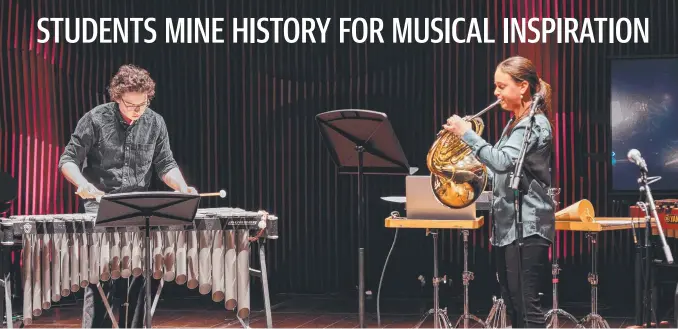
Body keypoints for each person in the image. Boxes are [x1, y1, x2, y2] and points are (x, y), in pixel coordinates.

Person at [58, 64, 197, 328]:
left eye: (142, 104)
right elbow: (68, 160)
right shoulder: (95, 119)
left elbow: (165, 164)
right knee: (101, 280)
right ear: (117, 97)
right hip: (100, 206)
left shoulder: (155, 122)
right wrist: (82, 182)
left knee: (140, 279)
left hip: (138, 208)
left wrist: (181, 186)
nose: (137, 112)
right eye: (130, 105)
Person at [443, 55, 555, 328]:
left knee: (527, 306)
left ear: (523, 87)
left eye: (502, 86)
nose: (496, 93)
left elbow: (503, 161)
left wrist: (467, 134)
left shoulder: (535, 124)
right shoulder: (514, 124)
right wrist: (461, 173)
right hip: (508, 228)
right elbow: (499, 172)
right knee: (513, 304)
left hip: (528, 226)